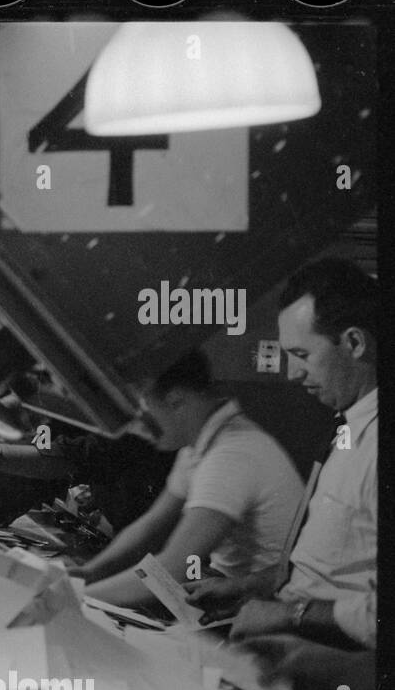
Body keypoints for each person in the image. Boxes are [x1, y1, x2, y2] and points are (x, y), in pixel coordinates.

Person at [188, 259, 377, 652]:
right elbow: (324, 564)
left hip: (325, 660)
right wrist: (245, 586)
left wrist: (291, 615)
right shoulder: (348, 423)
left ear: (355, 343)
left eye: (302, 355)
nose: (291, 374)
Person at [71, 348, 303, 611]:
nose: (137, 428)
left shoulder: (231, 455)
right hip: (225, 589)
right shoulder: (200, 442)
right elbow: (149, 527)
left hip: (260, 606)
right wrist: (87, 573)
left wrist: (72, 597)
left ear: (177, 401)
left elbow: (171, 568)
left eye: (143, 416)